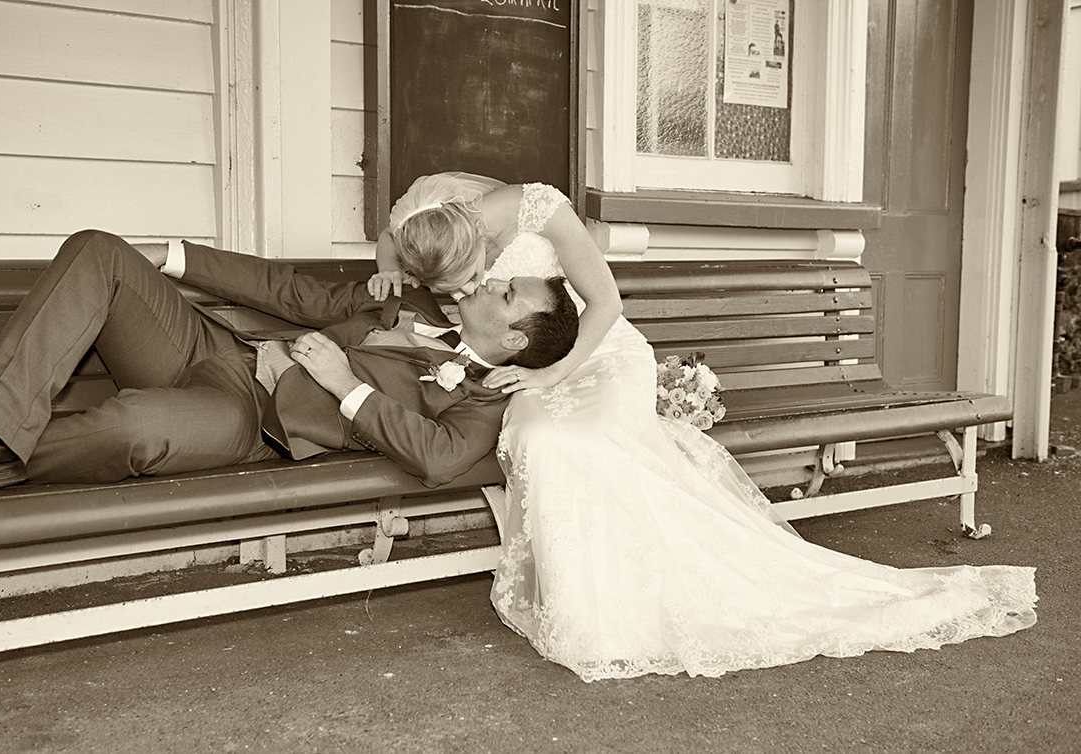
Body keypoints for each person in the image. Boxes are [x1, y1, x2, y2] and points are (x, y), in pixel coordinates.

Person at [372, 171, 1038, 681]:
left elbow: (604, 302)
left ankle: (675, 590)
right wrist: (390, 279)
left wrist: (551, 374)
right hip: (535, 361)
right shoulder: (427, 234)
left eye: (471, 281)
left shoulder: (538, 209)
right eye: (456, 288)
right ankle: (590, 614)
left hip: (598, 353)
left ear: (479, 236)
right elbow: (404, 258)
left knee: (593, 436)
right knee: (541, 440)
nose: (467, 293)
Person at [0, 229, 579, 506]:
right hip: (216, 354)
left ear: (516, 340)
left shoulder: (488, 396)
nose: (491, 282)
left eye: (506, 292)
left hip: (250, 419)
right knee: (99, 250)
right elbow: (288, 294)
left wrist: (344, 384)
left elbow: (440, 457)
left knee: (134, 427)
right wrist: (173, 258)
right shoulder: (405, 299)